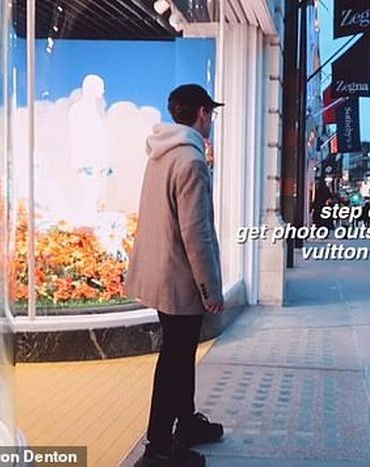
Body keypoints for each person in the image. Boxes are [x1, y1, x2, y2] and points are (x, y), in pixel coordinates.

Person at [126, 84, 225, 467]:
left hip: (160, 273)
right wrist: (210, 289)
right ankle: (158, 448)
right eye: (211, 113)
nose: (211, 121)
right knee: (174, 361)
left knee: (179, 356)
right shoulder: (191, 161)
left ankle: (185, 424)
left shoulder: (161, 154)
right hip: (180, 280)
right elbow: (196, 234)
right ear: (202, 113)